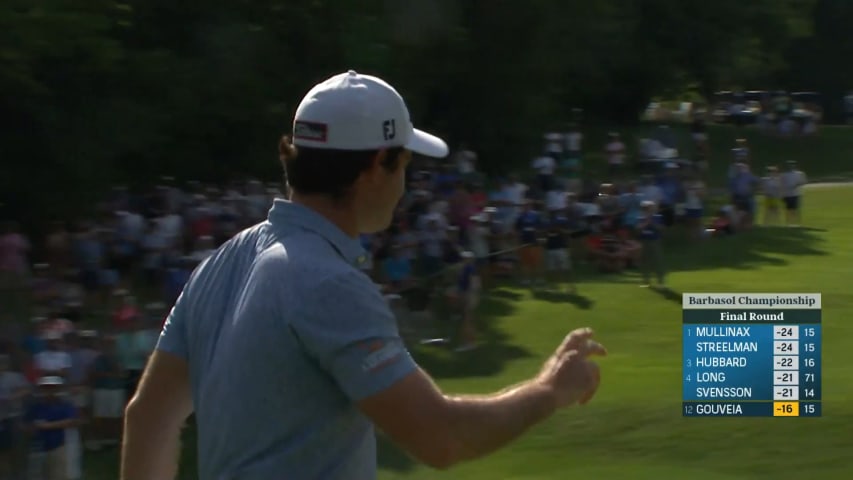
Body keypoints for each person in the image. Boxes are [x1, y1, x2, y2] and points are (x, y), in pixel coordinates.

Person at [120, 70, 606, 480]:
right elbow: (440, 437)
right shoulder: (329, 282)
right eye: (404, 166)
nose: (404, 185)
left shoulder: (220, 261)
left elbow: (148, 418)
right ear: (376, 165)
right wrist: (548, 391)